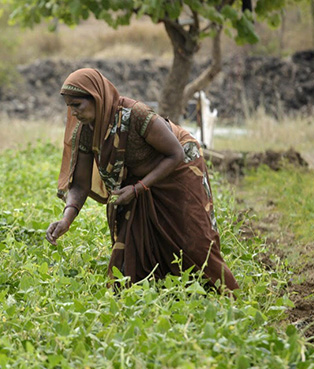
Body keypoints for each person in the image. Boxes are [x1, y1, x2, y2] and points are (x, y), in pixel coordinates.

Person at [46, 68, 238, 293]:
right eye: (69, 106)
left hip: (179, 167)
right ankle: (156, 294)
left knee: (191, 240)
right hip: (137, 180)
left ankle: (222, 294)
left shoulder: (135, 114)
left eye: (77, 105)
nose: (73, 112)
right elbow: (80, 184)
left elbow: (175, 153)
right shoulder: (86, 131)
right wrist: (66, 219)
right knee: (134, 248)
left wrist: (139, 188)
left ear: (96, 97)